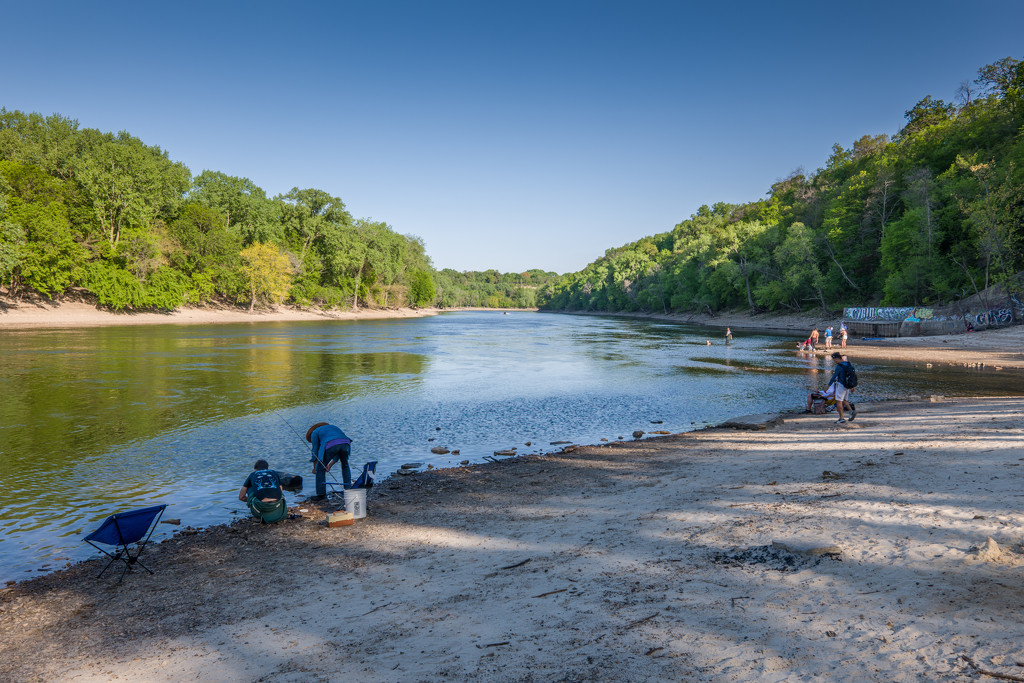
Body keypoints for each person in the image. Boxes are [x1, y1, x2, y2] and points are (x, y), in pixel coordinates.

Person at [307, 422, 352, 500]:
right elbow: (339, 445)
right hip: (346, 442)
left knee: (320, 468)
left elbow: (315, 451)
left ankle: (321, 494)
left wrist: (315, 468)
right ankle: (348, 490)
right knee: (345, 465)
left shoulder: (314, 433)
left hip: (331, 444)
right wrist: (329, 465)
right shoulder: (333, 427)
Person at [238, 459, 287, 524]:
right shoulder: (274, 472)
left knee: (249, 487)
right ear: (267, 468)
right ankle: (273, 512)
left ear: (255, 469)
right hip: (277, 506)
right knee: (276, 487)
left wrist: (249, 499)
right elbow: (280, 492)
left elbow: (241, 497)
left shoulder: (253, 474)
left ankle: (260, 507)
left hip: (260, 508)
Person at [828, 351, 857, 423]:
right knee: (844, 400)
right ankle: (851, 412)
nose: (834, 362)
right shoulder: (848, 364)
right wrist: (852, 386)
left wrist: (828, 387)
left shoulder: (839, 366)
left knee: (838, 401)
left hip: (841, 385)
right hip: (847, 385)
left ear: (837, 359)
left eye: (834, 360)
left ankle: (841, 418)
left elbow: (833, 377)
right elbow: (852, 375)